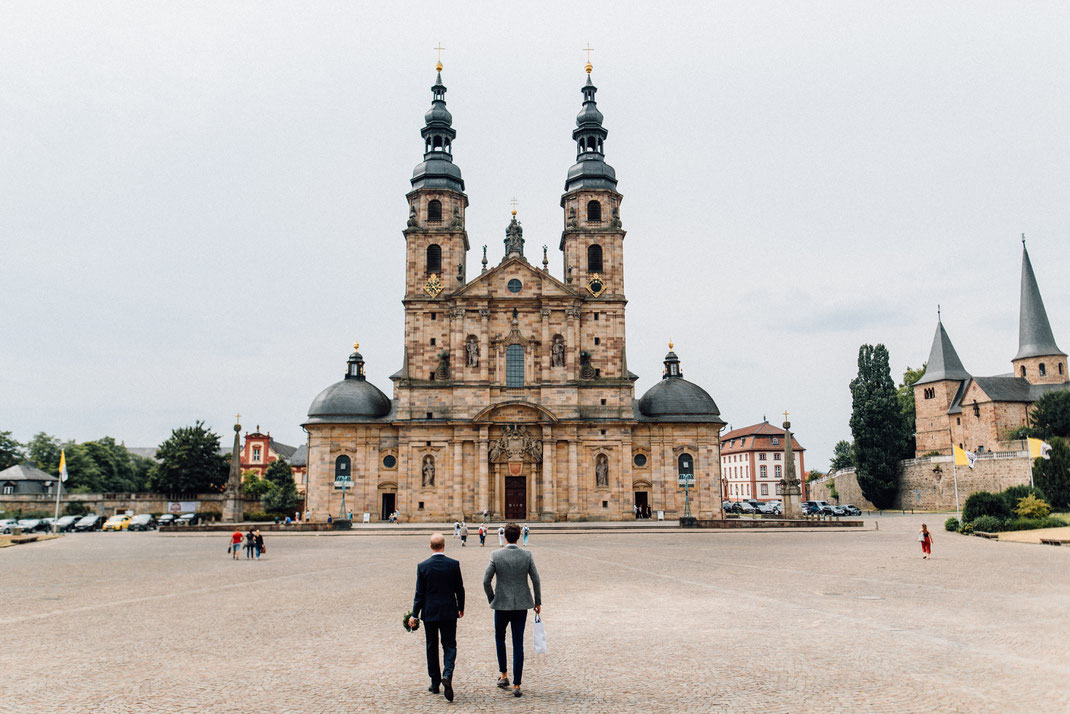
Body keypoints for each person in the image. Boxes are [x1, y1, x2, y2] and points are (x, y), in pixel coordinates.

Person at [483, 523, 542, 698]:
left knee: (500, 639)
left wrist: (492, 599)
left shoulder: (496, 555)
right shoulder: (527, 555)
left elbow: (486, 581)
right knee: (518, 644)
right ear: (519, 535)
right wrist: (537, 602)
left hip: (501, 605)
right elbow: (536, 580)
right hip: (521, 606)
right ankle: (517, 684)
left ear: (504, 536)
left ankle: (504, 675)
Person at [410, 533, 465, 702]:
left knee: (431, 646)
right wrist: (460, 608)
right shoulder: (453, 564)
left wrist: (414, 614)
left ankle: (435, 683)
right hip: (449, 612)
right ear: (444, 546)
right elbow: (460, 589)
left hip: (430, 613)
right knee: (449, 645)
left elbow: (419, 594)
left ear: (430, 546)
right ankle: (447, 674)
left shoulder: (423, 566)